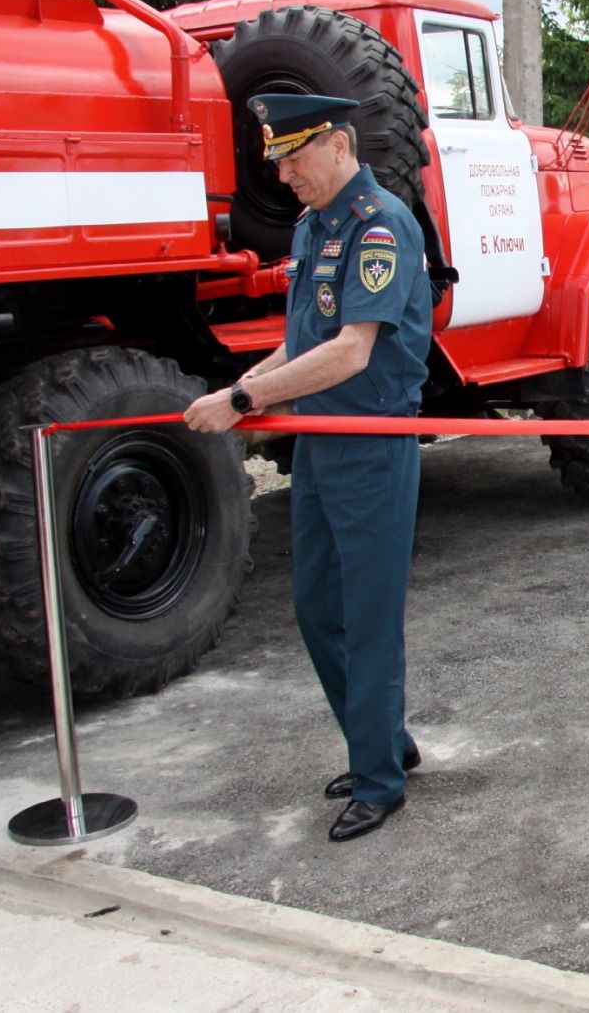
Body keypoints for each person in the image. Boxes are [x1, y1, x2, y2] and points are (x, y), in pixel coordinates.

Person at [184, 93, 432, 843]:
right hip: (320, 441)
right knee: (316, 606)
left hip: (372, 444)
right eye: (279, 160)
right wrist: (239, 391)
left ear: (339, 145)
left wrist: (244, 396)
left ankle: (380, 778)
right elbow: (303, 341)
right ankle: (384, 740)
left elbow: (353, 350)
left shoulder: (380, 223)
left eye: (295, 156)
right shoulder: (315, 225)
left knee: (368, 616)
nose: (285, 174)